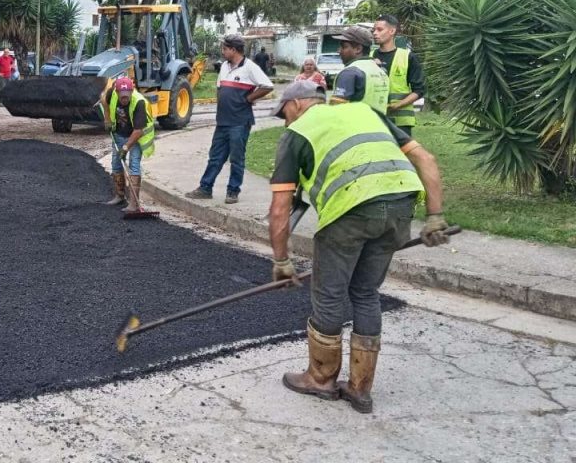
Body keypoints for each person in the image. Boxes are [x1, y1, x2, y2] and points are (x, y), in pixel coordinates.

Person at [266, 81, 450, 414]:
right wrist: (435, 217)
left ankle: (321, 379)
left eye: (283, 114)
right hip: (400, 204)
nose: (285, 121)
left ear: (296, 105)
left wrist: (281, 260)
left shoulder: (297, 133)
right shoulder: (366, 112)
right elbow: (426, 159)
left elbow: (280, 207)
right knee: (365, 292)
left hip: (351, 210)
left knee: (330, 294)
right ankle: (360, 388)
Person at [186, 35, 273, 204]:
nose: (223, 51)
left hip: (240, 121)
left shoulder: (249, 67)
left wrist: (249, 98)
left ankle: (233, 191)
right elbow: (220, 88)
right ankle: (205, 188)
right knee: (215, 156)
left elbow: (267, 85)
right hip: (223, 121)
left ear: (234, 50)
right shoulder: (224, 67)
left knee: (236, 158)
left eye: (225, 48)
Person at [102, 75, 155, 213]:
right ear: (117, 92)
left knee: (134, 166)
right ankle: (119, 196)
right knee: (116, 164)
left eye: (127, 95)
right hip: (119, 134)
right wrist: (107, 118)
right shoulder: (112, 94)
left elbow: (138, 131)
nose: (124, 98)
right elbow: (103, 99)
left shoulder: (139, 102)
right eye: (122, 95)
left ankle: (133, 204)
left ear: (132, 92)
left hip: (136, 137)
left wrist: (125, 148)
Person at [371, 14, 425, 136]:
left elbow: (419, 90)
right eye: (373, 30)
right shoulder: (369, 56)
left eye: (379, 29)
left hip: (401, 122)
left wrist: (397, 105)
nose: (375, 33)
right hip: (374, 119)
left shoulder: (408, 57)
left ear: (392, 31)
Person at [329, 26, 389, 114]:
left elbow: (335, 110)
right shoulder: (381, 71)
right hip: (379, 126)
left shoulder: (349, 73)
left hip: (354, 127)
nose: (339, 51)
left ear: (358, 49)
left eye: (344, 47)